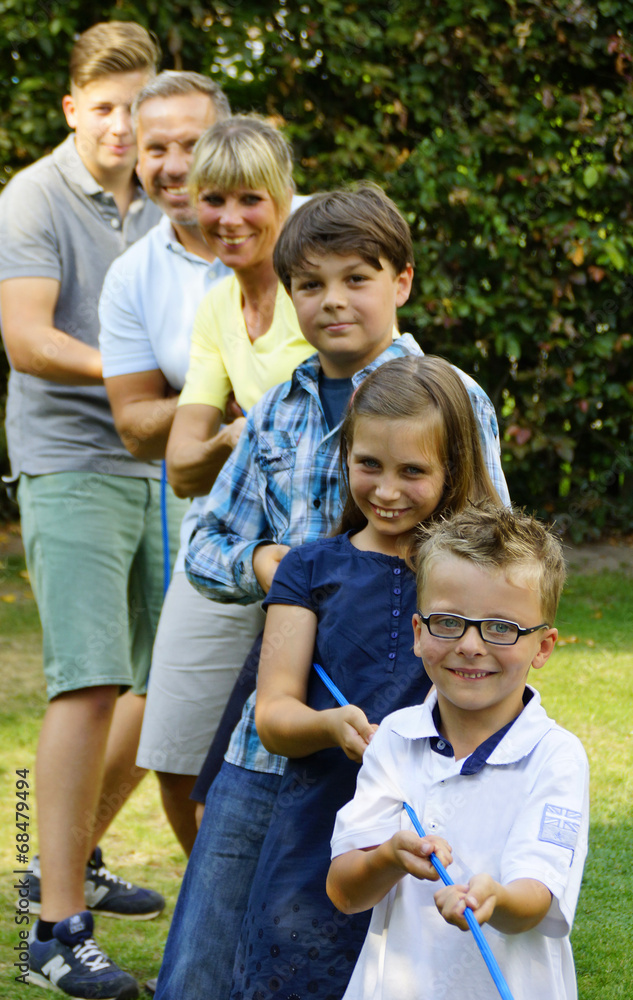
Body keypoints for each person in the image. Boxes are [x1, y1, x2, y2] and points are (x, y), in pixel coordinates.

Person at [154, 184, 510, 1000]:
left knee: (357, 955)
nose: (332, 301)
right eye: (310, 285)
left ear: (402, 283)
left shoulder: (450, 396)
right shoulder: (276, 410)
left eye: (357, 278)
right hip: (274, 725)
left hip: (399, 731)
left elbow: (494, 553)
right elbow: (202, 542)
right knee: (202, 961)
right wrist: (278, 569)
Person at [0, 22, 182, 1000]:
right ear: (74, 108)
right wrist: (142, 373)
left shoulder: (167, 198)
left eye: (135, 108)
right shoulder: (29, 196)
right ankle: (51, 929)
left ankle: (70, 856)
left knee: (164, 685)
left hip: (161, 464)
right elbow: (27, 339)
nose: (120, 126)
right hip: (70, 461)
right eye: (103, 108)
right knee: (85, 684)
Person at [229, 355, 502, 1000]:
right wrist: (328, 725)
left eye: (413, 471)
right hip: (320, 822)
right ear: (346, 456)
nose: (386, 489)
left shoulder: (472, 574)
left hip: (441, 820)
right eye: (369, 465)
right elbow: (274, 716)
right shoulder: (308, 569)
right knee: (300, 975)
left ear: (452, 471)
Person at [101, 108, 313, 856]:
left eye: (248, 199)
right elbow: (185, 466)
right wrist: (245, 429)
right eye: (212, 199)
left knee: (301, 759)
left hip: (312, 546)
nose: (227, 219)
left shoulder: (313, 290)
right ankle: (214, 926)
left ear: (283, 198)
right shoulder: (218, 306)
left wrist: (228, 430)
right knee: (175, 754)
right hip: (226, 541)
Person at [327, 502, 589, 1000]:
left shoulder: (556, 757)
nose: (470, 645)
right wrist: (388, 857)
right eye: (449, 621)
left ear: (544, 646)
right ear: (419, 633)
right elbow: (344, 892)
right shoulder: (395, 741)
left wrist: (497, 899)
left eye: (501, 627)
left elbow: (536, 897)